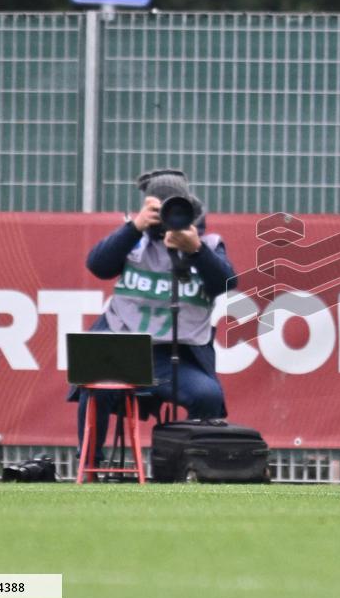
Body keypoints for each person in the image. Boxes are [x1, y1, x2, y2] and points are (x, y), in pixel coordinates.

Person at [68, 169, 236, 464]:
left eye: (172, 208)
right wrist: (134, 227)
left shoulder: (207, 244)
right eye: (157, 209)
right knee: (94, 388)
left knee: (208, 396)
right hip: (123, 350)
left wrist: (195, 250)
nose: (165, 217)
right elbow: (98, 266)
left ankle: (195, 468)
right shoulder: (132, 239)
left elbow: (226, 282)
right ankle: (89, 466)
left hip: (178, 356)